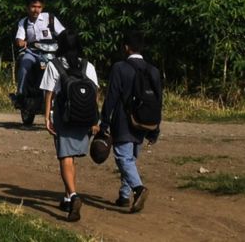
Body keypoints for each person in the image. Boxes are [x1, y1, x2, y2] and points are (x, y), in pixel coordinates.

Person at [99, 30, 163, 214]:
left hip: (124, 120)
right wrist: (155, 128)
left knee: (123, 157)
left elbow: (111, 96)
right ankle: (124, 195)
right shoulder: (153, 70)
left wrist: (104, 123)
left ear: (126, 47)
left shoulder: (120, 68)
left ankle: (138, 189)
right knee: (131, 158)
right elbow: (158, 102)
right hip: (146, 121)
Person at [42, 29, 101, 222]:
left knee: (65, 157)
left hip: (64, 116)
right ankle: (67, 197)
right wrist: (95, 120)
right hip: (84, 117)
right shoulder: (88, 65)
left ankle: (74, 196)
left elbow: (49, 93)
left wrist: (47, 118)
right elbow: (95, 93)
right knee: (71, 158)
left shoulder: (54, 65)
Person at [14, 0, 65, 111]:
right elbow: (19, 38)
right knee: (25, 63)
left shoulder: (50, 18)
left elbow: (63, 33)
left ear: (42, 7)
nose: (36, 10)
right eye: (33, 6)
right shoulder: (24, 22)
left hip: (51, 53)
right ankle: (21, 95)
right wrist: (20, 42)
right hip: (33, 52)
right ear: (27, 8)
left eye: (39, 7)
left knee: (63, 69)